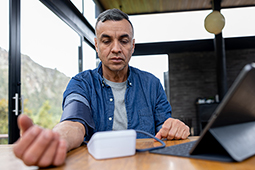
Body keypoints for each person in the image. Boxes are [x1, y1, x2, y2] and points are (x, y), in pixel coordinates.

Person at [13, 8, 190, 167]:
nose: (116, 49)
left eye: (123, 41)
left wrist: (175, 127)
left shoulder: (152, 84)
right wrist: (58, 139)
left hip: (144, 164)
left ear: (132, 46)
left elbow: (165, 130)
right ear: (97, 45)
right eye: (107, 41)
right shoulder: (81, 83)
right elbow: (74, 123)